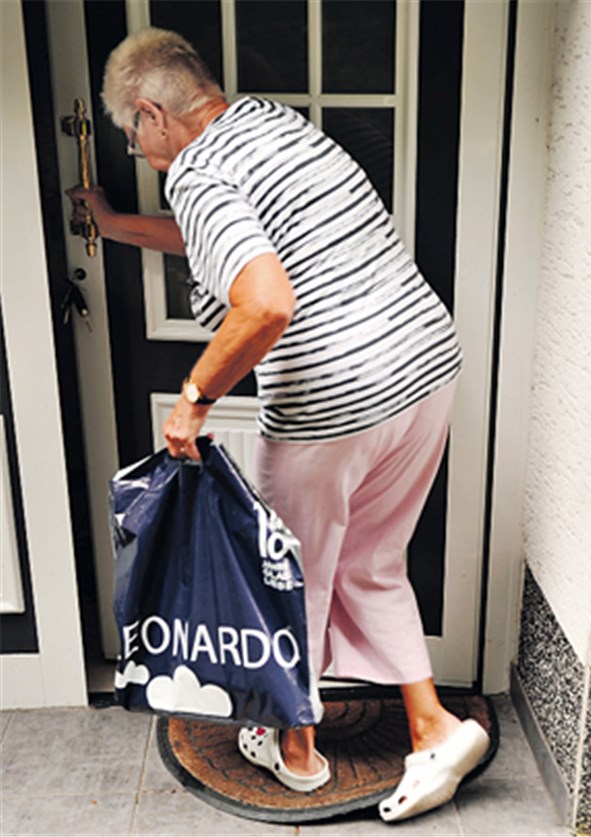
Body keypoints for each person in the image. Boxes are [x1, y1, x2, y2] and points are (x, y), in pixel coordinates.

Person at [68, 27, 489, 822]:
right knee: (371, 561)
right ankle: (434, 729)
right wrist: (117, 226)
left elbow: (264, 301)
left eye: (129, 132)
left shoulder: (198, 172)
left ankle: (296, 751)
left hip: (333, 399)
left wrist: (194, 396)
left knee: (287, 573)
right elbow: (235, 244)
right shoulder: (272, 124)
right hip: (423, 366)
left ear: (153, 113)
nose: (135, 149)